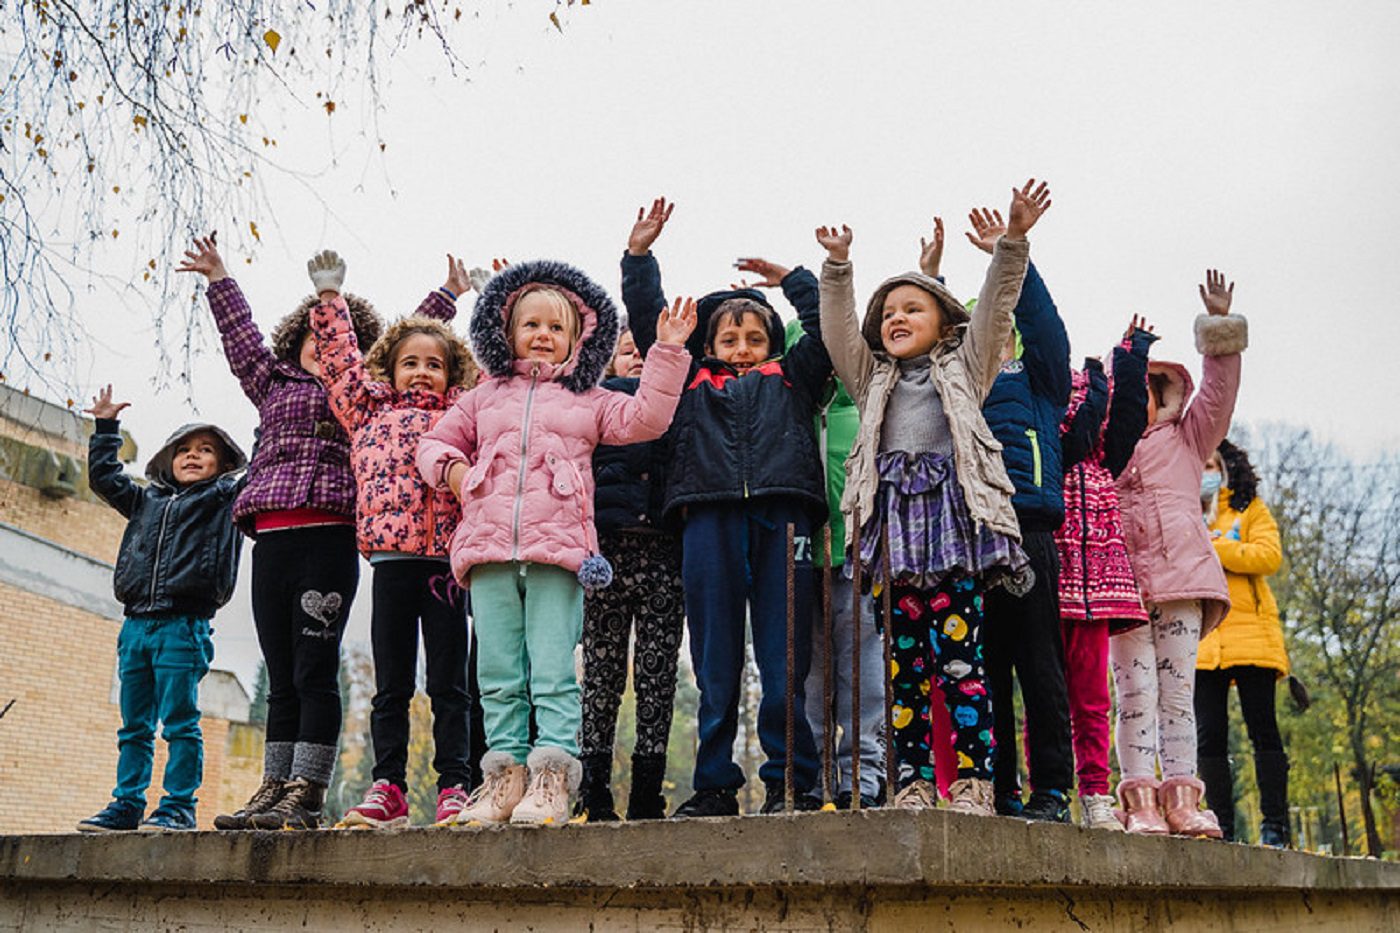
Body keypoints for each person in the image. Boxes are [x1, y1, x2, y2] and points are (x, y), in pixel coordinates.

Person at [417, 258, 693, 826]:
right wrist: (454, 473)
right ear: (507, 332)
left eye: (556, 326)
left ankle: (551, 778)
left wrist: (666, 352)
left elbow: (647, 419)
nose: (542, 335)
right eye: (531, 324)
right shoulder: (484, 396)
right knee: (497, 674)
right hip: (488, 550)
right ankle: (503, 778)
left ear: (578, 337)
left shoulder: (589, 397)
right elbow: (433, 444)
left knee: (552, 672)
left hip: (559, 554)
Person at [816, 178, 1052, 815]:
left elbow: (995, 310)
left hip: (951, 535)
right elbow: (839, 334)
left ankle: (973, 783)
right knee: (904, 673)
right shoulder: (872, 379)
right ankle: (914, 782)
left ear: (945, 324)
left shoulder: (966, 368)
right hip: (895, 539)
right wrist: (838, 268)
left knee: (960, 665)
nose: (896, 318)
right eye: (889, 312)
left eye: (912, 309)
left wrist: (1012, 243)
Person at [620, 199, 832, 818]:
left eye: (755, 339)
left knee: (785, 659)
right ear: (709, 343)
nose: (742, 349)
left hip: (784, 518)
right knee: (715, 661)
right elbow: (651, 328)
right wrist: (639, 258)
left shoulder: (793, 376)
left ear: (773, 343)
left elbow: (825, 329)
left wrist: (794, 280)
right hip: (706, 518)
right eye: (730, 339)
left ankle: (790, 781)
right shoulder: (689, 380)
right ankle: (714, 784)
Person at [179, 233, 381, 830]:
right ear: (296, 342)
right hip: (272, 542)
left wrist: (447, 294)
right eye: (312, 336)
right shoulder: (272, 382)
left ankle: (307, 791)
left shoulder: (362, 397)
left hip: (329, 539)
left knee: (313, 670)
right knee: (281, 674)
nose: (322, 344)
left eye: (331, 335)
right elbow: (240, 339)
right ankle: (274, 785)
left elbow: (411, 344)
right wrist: (219, 278)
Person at [304, 250, 486, 829]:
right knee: (392, 685)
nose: (422, 372)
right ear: (390, 369)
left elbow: (499, 377)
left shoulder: (465, 413)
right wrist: (330, 299)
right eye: (411, 363)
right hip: (392, 563)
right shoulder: (367, 411)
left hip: (445, 568)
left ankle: (456, 785)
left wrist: (487, 303)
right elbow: (339, 365)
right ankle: (388, 787)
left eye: (435, 364)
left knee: (450, 684)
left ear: (452, 373)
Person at [1112, 269, 1247, 837]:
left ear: (1161, 393)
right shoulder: (1105, 449)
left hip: (1182, 583)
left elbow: (1218, 395)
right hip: (1122, 589)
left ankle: (1184, 799)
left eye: (1143, 391)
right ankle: (1140, 798)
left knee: (1176, 697)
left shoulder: (1188, 439)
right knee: (1133, 693)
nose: (1134, 402)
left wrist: (1219, 330)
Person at [76, 387, 246, 832]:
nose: (192, 456)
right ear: (167, 461)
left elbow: (262, 470)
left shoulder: (224, 501)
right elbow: (104, 478)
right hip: (135, 626)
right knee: (134, 725)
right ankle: (126, 804)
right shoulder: (145, 501)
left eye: (205, 450)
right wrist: (106, 428)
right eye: (183, 450)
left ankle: (178, 806)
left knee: (180, 723)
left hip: (183, 626)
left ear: (223, 464)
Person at [974, 205, 1078, 823]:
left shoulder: (1039, 380)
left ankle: (1053, 790)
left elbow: (1046, 329)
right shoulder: (963, 383)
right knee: (984, 670)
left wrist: (1012, 257)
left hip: (1029, 529)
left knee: (1040, 667)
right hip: (970, 538)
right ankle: (999, 789)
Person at [576, 321, 687, 822]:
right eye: (627, 351)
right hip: (608, 555)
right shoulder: (597, 406)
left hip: (664, 553)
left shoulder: (677, 405)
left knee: (657, 675)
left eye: (646, 350)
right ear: (610, 362)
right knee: (601, 675)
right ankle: (593, 789)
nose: (638, 357)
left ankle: (647, 791)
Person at [1053, 318, 1156, 830]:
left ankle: (1095, 792)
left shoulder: (1101, 464)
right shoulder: (1037, 396)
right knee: (1047, 694)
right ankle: (1048, 790)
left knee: (1092, 697)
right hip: (1048, 566)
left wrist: (1133, 357)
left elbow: (1128, 421)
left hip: (1096, 574)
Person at [786, 314, 884, 811]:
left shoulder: (866, 403)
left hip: (857, 558)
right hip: (803, 559)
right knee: (809, 678)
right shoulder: (793, 409)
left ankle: (863, 775)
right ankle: (814, 778)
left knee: (862, 676)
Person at [1196, 438, 1291, 846]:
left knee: (1263, 729)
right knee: (1209, 736)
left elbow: (1268, 556)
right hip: (1203, 640)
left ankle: (1275, 825)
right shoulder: (1184, 512)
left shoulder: (1249, 508)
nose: (1205, 472)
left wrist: (1215, 547)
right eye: (1199, 465)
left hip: (1252, 636)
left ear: (1226, 468)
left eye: (1211, 465)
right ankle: (1221, 826)